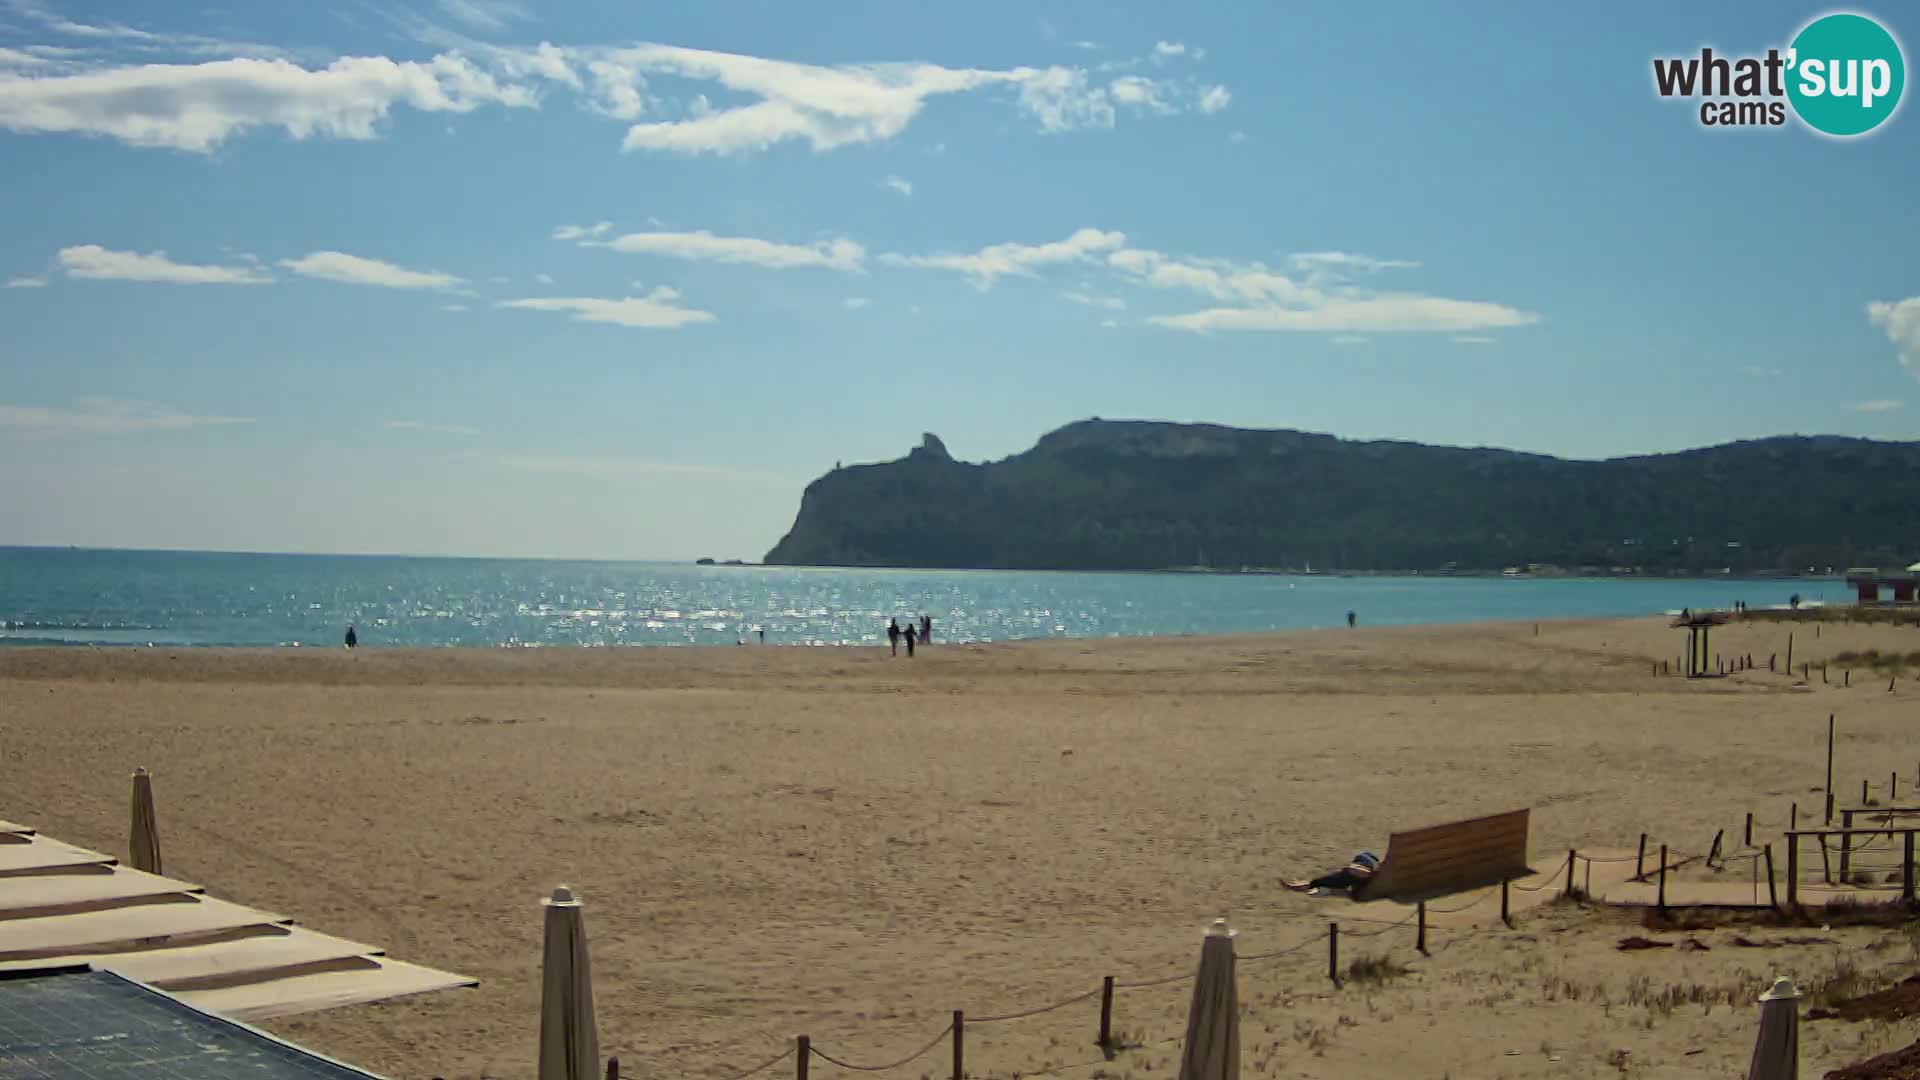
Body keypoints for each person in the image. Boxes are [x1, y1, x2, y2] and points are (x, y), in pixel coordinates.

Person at [1284, 851, 1380, 896]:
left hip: (1366, 863)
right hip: (1366, 863)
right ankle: (1306, 886)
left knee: (1325, 884)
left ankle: (1305, 886)